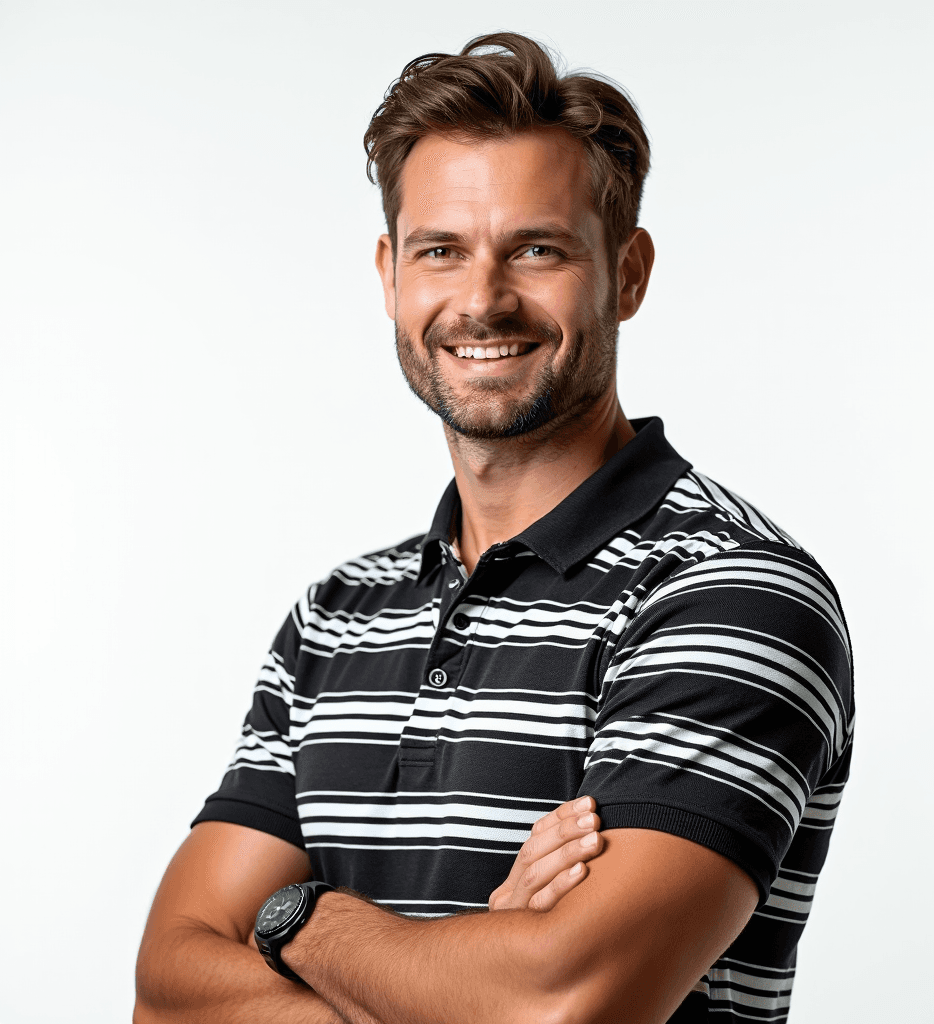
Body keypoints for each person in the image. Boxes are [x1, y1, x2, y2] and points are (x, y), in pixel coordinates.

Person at [135, 31, 854, 1024]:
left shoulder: (728, 591)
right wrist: (464, 968)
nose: (481, 300)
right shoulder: (335, 619)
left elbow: (559, 1002)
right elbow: (167, 994)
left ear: (628, 274)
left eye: (537, 248)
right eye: (441, 250)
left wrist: (298, 919)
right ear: (391, 274)